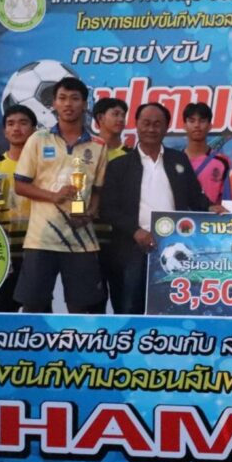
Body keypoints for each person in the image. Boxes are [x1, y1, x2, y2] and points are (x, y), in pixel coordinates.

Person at [100, 102, 222, 314]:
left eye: (157, 124)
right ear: (136, 125)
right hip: (132, 247)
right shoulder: (119, 165)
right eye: (146, 123)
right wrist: (135, 231)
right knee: (130, 308)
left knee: (171, 309)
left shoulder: (178, 159)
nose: (151, 129)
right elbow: (107, 209)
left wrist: (212, 207)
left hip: (173, 246)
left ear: (166, 127)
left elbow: (195, 197)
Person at [12, 77, 108, 314]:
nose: (68, 104)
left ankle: (75, 340)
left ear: (84, 104)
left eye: (75, 99)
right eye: (62, 98)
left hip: (81, 241)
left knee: (80, 308)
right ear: (53, 103)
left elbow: (98, 190)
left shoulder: (98, 145)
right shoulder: (38, 139)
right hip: (41, 238)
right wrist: (53, 196)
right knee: (33, 306)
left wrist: (90, 213)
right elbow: (20, 186)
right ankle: (35, 341)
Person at [0, 104, 39, 312]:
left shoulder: (45, 166)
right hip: (5, 247)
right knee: (6, 307)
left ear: (34, 130)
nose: (16, 128)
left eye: (23, 123)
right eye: (10, 124)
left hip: (37, 247)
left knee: (39, 307)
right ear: (4, 131)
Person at [91, 96, 131, 313]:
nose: (121, 119)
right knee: (94, 302)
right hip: (91, 237)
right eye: (115, 114)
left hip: (121, 239)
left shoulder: (132, 156)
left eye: (123, 115)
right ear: (100, 118)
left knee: (123, 301)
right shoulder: (85, 152)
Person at [182, 102, 230, 205]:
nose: (197, 125)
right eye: (192, 121)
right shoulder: (174, 160)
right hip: (178, 215)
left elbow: (228, 199)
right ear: (184, 126)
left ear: (210, 126)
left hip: (211, 215)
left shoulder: (223, 162)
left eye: (202, 121)